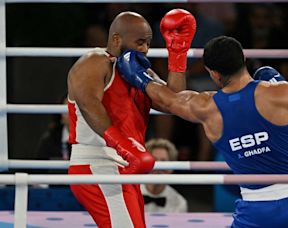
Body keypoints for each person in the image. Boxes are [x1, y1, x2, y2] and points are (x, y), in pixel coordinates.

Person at [118, 36, 288, 227]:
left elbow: (168, 101)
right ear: (243, 59)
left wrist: (139, 75)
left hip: (256, 210)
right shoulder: (280, 93)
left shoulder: (206, 107)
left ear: (213, 73)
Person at [67, 9, 196, 228]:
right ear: (117, 39)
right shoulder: (95, 61)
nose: (145, 49)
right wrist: (123, 145)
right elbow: (89, 105)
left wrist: (177, 55)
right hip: (97, 163)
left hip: (126, 166)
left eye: (148, 43)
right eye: (140, 42)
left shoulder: (140, 72)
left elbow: (172, 102)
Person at [141, 138, 188, 213]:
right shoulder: (130, 197)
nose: (159, 166)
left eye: (163, 161)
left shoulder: (179, 202)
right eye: (154, 160)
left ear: (171, 168)